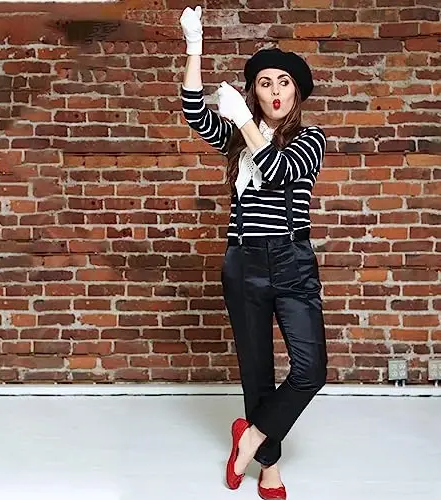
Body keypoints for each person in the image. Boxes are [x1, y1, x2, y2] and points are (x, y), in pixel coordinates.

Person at [179, 6, 328, 500]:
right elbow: (194, 110)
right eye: (264, 83)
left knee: (310, 371)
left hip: (292, 263)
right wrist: (195, 46)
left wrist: (244, 120)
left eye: (284, 82)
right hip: (243, 263)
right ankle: (269, 469)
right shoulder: (236, 142)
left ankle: (251, 438)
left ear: (297, 92)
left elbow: (278, 169)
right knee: (257, 375)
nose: (275, 91)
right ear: (255, 91)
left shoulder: (309, 139)